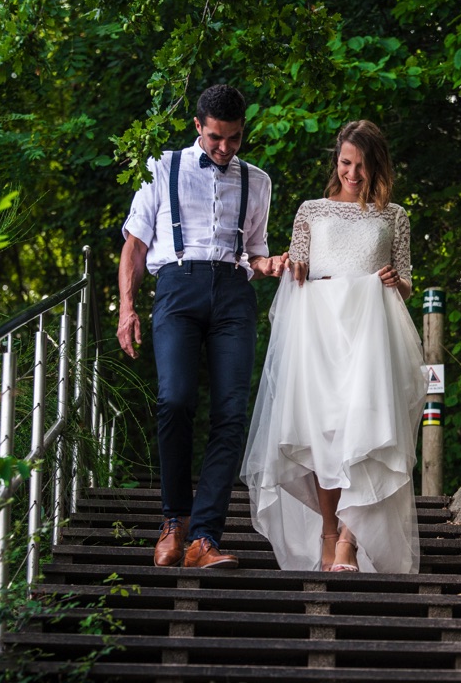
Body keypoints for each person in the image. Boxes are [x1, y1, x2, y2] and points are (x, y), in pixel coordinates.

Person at [241, 120, 427, 574]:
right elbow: (298, 265)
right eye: (346, 163)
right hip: (319, 331)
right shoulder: (310, 211)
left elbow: (405, 284)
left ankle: (348, 541)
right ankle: (328, 534)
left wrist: (395, 281)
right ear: (337, 161)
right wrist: (293, 267)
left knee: (361, 432)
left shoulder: (394, 216)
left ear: (377, 166)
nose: (353, 174)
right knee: (322, 433)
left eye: (362, 165)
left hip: (370, 334)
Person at [117, 84, 287, 569]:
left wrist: (269, 264)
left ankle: (204, 537)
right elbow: (135, 245)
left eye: (234, 138)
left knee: (231, 414)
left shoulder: (258, 181)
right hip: (178, 287)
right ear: (198, 126)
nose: (224, 147)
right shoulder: (162, 167)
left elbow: (253, 253)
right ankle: (174, 520)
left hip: (233, 293)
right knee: (174, 399)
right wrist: (127, 308)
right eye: (215, 137)